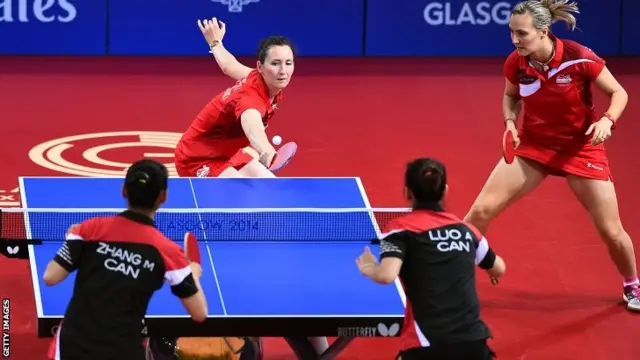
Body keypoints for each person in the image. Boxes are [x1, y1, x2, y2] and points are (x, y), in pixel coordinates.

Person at [462, 0, 639, 312]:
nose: (515, 40)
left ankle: (632, 285)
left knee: (611, 231)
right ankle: (453, 279)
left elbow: (619, 92)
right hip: (535, 146)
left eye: (522, 33)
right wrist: (509, 124)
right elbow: (510, 96)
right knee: (479, 212)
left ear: (543, 32)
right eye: (511, 33)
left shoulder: (578, 56)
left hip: (581, 146)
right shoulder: (516, 63)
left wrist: (607, 120)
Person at [42, 159, 208, 360]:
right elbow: (199, 313)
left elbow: (50, 277)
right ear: (164, 196)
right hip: (121, 351)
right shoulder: (168, 252)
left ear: (123, 190)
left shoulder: (89, 230)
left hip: (71, 346)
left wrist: (72, 243)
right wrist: (194, 273)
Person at [357, 158, 505, 360]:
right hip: (474, 345)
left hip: (427, 345)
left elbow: (386, 275)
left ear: (407, 192)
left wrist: (369, 267)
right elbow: (498, 268)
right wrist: (490, 271)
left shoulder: (400, 230)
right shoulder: (467, 231)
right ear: (445, 191)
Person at [174, 17, 295, 178]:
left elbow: (229, 66)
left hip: (229, 153)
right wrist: (266, 149)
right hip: (198, 158)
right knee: (236, 198)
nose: (283, 71)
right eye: (275, 63)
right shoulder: (250, 101)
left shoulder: (259, 78)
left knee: (271, 186)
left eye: (288, 63)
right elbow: (253, 129)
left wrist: (215, 43)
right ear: (261, 67)